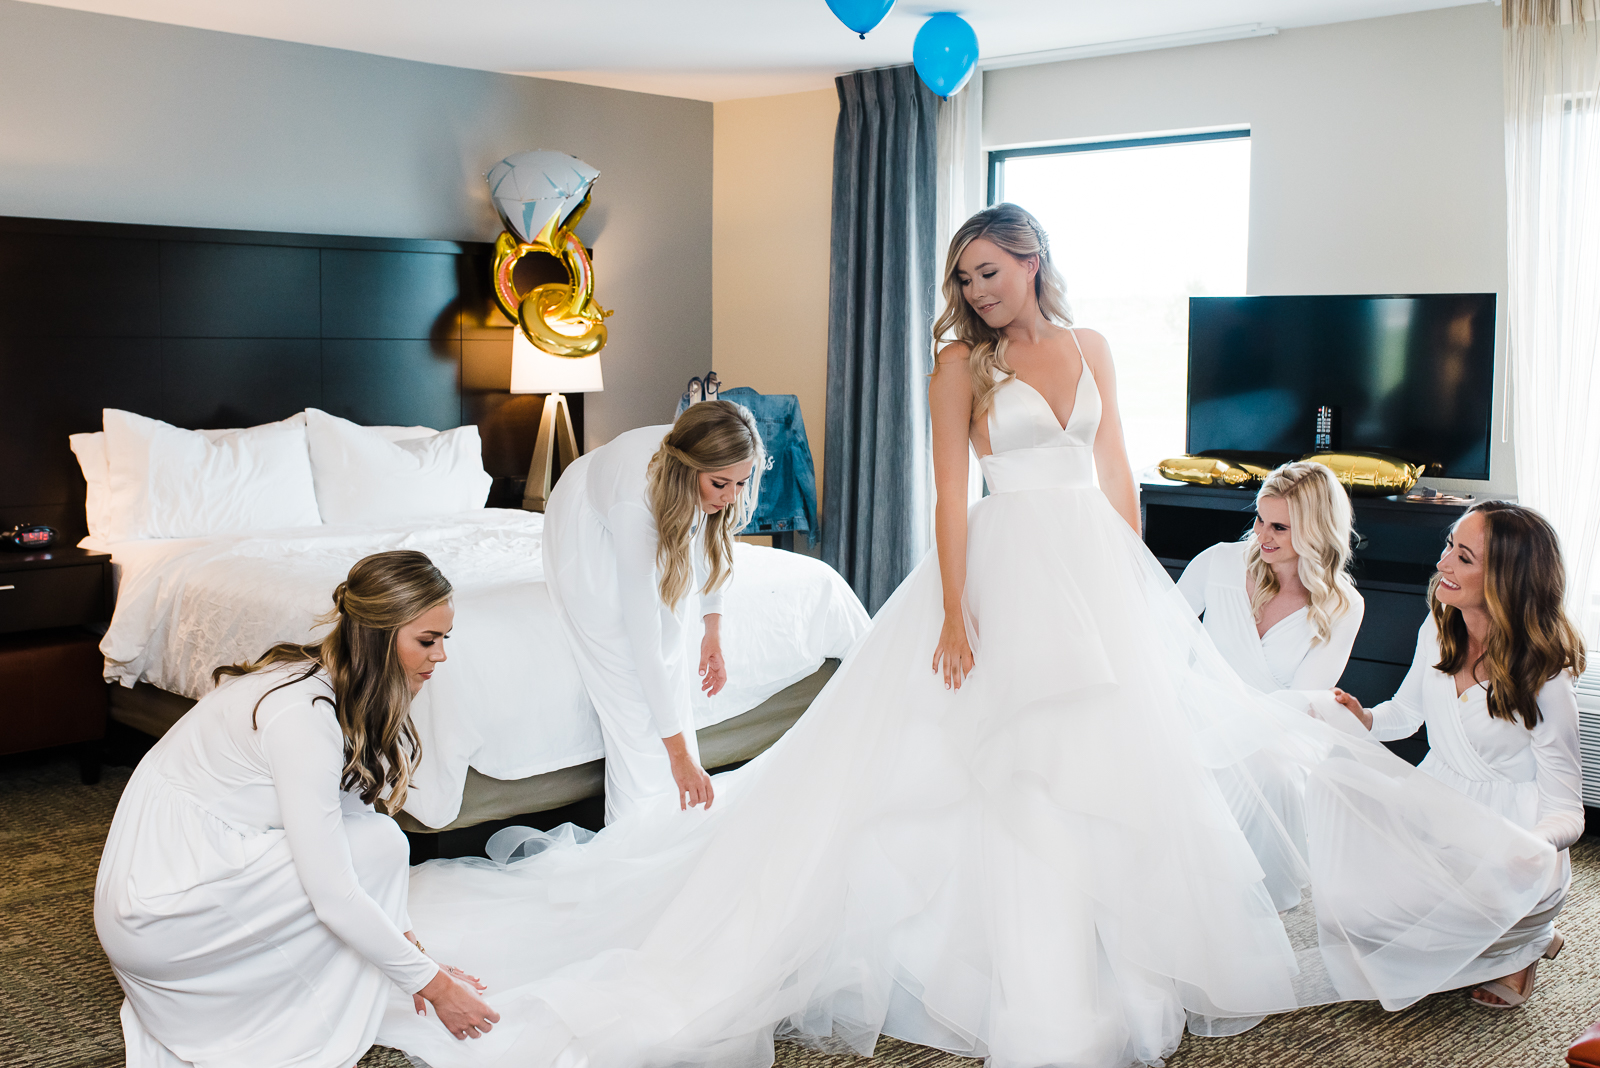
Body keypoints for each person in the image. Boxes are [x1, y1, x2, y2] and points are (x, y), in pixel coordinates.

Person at [376, 206, 1560, 1068]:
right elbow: (948, 498)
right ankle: (1022, 977)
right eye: (964, 277)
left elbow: (1116, 480)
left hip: (1091, 574)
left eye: (989, 271)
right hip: (997, 570)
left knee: (1121, 761)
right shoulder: (958, 364)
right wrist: (951, 612)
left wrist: (1134, 586)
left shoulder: (1089, 348)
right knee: (988, 769)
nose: (977, 289)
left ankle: (1425, 910)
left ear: (1032, 258)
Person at [95, 550, 500, 1067]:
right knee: (375, 847)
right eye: (427, 640)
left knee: (377, 840)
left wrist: (417, 961)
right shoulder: (303, 715)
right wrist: (437, 988)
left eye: (444, 639)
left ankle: (283, 987)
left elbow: (352, 823)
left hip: (174, 885)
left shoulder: (325, 681)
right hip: (160, 919)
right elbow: (333, 891)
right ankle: (254, 1013)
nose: (440, 656)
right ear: (377, 637)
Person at [1330, 501, 1583, 1009]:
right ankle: (1508, 939)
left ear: (1505, 579)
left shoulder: (1546, 679)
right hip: (1433, 807)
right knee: (1358, 915)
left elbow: (1567, 812)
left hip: (1506, 836)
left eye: (1463, 557)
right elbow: (1406, 714)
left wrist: (1526, 845)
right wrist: (1366, 719)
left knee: (1443, 925)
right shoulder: (1439, 627)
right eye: (1450, 546)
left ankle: (1525, 941)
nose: (1443, 563)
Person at [542, 400, 762, 823]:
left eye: (741, 483)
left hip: (642, 497)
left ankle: (676, 817)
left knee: (672, 638)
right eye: (722, 485)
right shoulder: (636, 504)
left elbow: (707, 539)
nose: (732, 497)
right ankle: (636, 834)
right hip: (583, 517)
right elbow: (641, 639)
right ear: (690, 472)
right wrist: (678, 756)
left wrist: (711, 629)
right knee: (628, 667)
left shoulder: (717, 466)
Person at [1178, 460, 1365, 700]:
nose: (1261, 535)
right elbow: (1159, 635)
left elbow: (1302, 704)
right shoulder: (1218, 562)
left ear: (1316, 531)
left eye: (1279, 527)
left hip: (1276, 731)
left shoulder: (1343, 606)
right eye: (1260, 518)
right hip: (1193, 721)